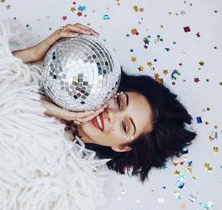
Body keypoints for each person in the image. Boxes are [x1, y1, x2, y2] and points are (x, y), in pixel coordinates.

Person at [13, 23, 197, 183]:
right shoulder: (46, 74)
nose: (111, 114)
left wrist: (43, 108)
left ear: (122, 147)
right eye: (118, 101)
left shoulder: (67, 174)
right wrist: (33, 53)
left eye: (124, 126)